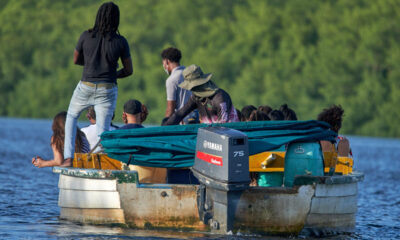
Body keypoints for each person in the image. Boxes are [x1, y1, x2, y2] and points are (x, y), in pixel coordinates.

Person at [64, 2, 132, 163]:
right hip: (107, 88)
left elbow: (75, 59)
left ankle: (67, 158)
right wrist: (113, 74)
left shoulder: (86, 36)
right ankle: (102, 161)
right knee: (103, 129)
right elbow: (129, 70)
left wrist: (90, 64)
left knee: (71, 117)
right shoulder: (120, 41)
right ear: (116, 20)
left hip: (85, 85)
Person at [163, 64, 239, 125]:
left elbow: (224, 127)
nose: (191, 90)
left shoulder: (220, 98)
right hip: (209, 135)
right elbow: (180, 114)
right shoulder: (196, 97)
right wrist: (165, 126)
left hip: (230, 136)